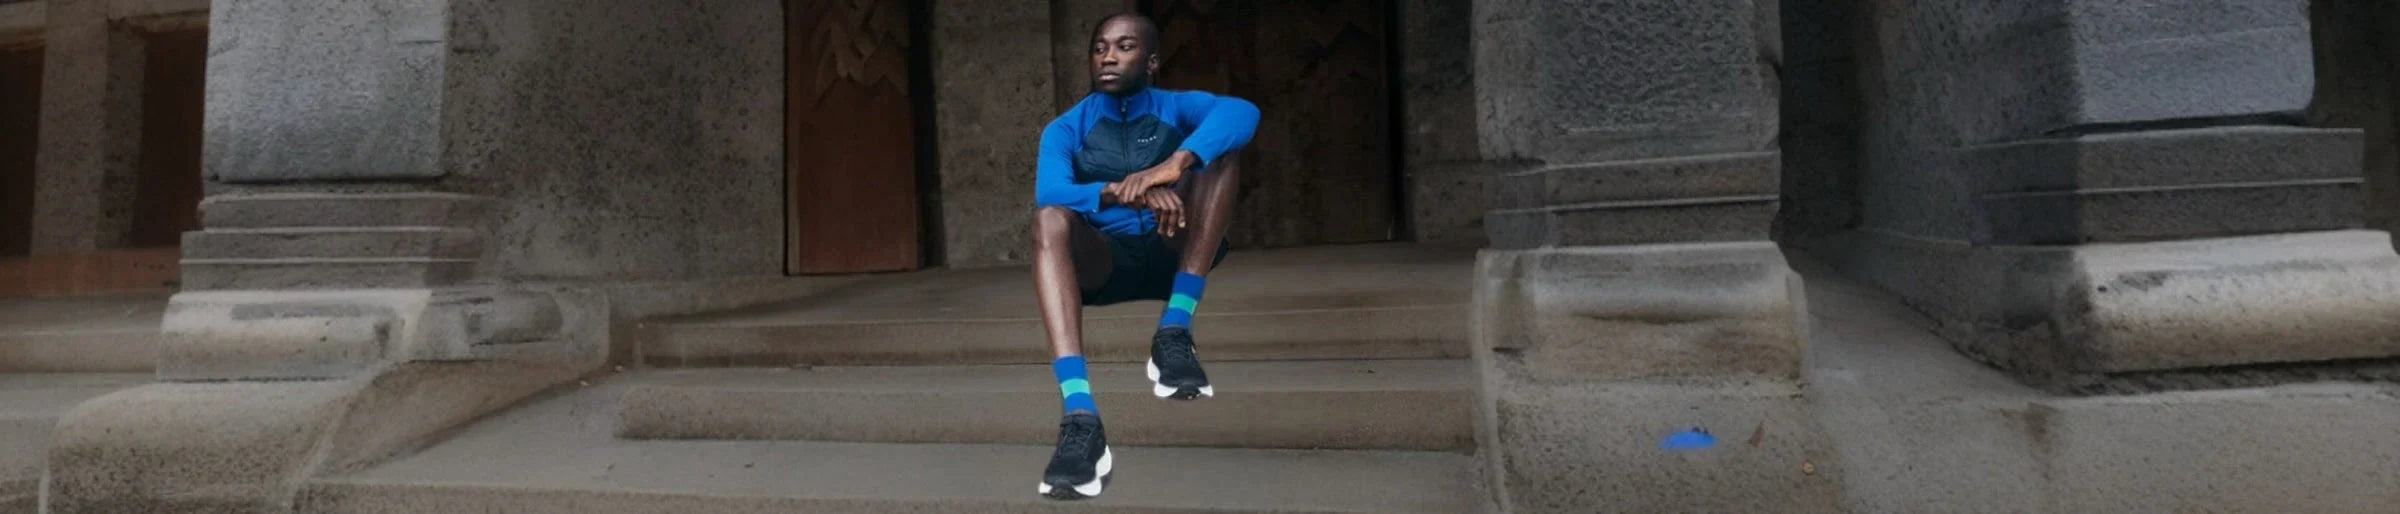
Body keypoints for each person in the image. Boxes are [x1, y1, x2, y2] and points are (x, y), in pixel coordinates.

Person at [1028, 12, 1258, 500]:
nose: (1108, 56)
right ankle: (1080, 417)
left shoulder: (1178, 106)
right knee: (1049, 217)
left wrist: (1175, 164)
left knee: (1220, 150)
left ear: (1151, 61)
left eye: (1124, 46)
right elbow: (1051, 190)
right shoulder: (1067, 127)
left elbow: (1242, 112)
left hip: (1178, 244)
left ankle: (1175, 328)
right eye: (1099, 48)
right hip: (1106, 261)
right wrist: (1125, 191)